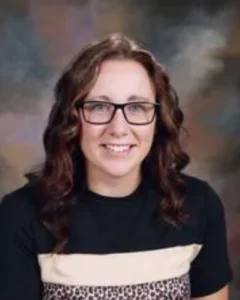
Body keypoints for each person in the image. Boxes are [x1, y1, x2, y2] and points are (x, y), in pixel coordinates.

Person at [0, 32, 232, 300]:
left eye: (136, 107)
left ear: (158, 119)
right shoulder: (21, 215)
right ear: (71, 119)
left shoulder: (198, 204)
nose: (118, 128)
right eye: (99, 106)